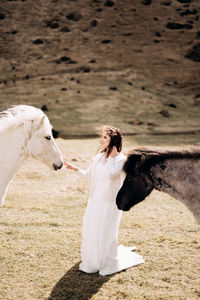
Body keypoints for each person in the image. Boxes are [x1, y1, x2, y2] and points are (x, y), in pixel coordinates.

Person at [64, 125, 144, 276]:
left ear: (112, 140)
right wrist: (74, 168)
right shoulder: (99, 157)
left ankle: (106, 260)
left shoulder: (121, 159)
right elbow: (87, 175)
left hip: (110, 202)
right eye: (101, 136)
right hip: (96, 200)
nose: (101, 140)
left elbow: (111, 175)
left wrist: (112, 158)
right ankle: (93, 260)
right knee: (92, 227)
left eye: (105, 137)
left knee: (106, 230)